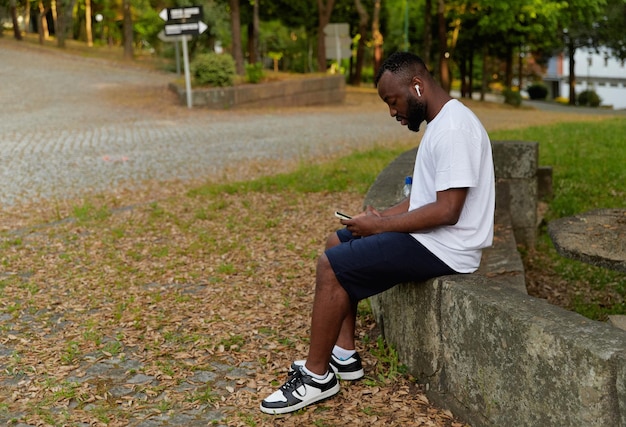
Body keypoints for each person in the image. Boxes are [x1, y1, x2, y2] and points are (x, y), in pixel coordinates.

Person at [260, 51, 495, 415]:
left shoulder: (454, 130)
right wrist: (376, 218)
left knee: (330, 265)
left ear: (416, 86)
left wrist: (381, 226)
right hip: (433, 239)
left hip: (448, 248)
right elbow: (423, 198)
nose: (393, 112)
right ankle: (345, 354)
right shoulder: (443, 122)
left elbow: (448, 211)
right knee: (336, 242)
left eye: (393, 101)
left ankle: (317, 376)